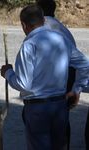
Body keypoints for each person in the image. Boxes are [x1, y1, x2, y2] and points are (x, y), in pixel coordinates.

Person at [0, 4, 89, 150]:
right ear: (43, 20)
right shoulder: (61, 39)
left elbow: (24, 84)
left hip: (38, 109)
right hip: (59, 107)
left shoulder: (29, 45)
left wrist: (8, 73)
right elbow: (85, 65)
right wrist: (76, 88)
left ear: (24, 25)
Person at [36, 0, 89, 149]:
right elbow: (82, 62)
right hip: (68, 74)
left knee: (43, 116)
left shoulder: (41, 29)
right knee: (61, 115)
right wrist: (77, 87)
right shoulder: (63, 29)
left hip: (55, 77)